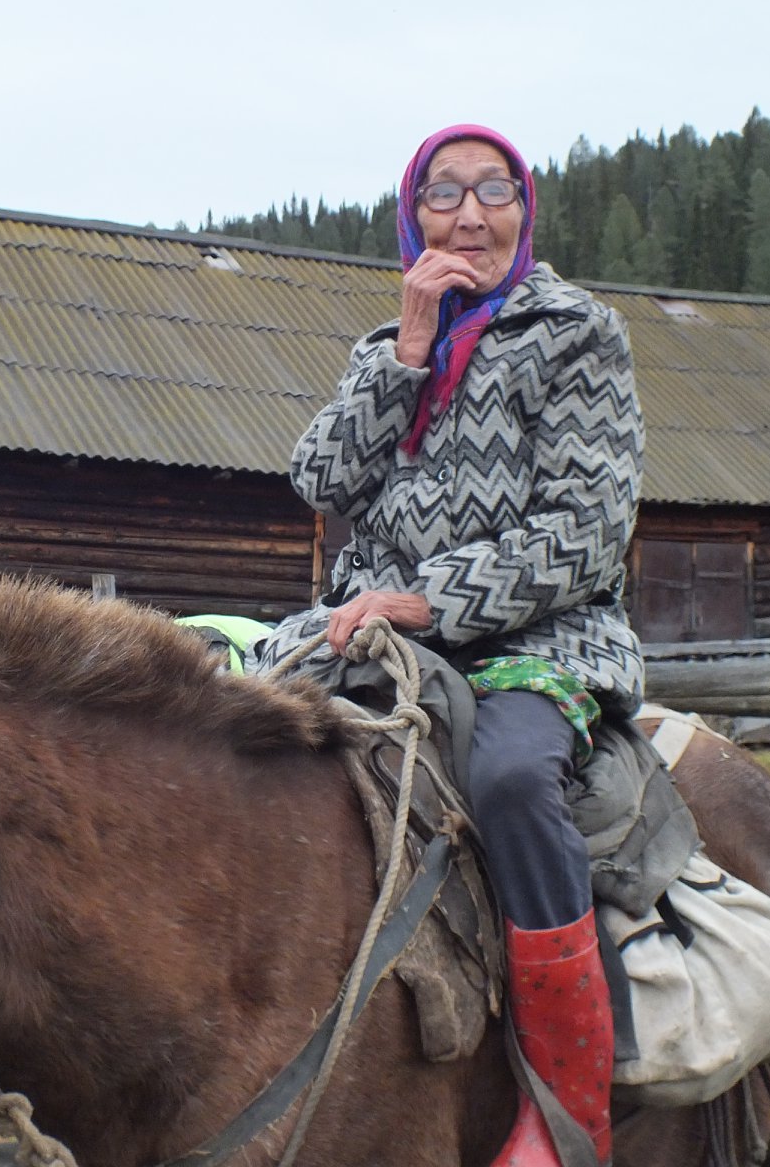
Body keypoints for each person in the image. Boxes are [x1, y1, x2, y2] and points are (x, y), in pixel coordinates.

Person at [263, 124, 644, 1165]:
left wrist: (426, 602)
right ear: (411, 216)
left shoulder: (577, 335)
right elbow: (321, 482)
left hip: (533, 638)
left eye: (494, 191)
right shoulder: (387, 344)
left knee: (516, 780)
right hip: (364, 635)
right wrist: (409, 352)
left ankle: (568, 1111)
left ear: (526, 211)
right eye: (443, 193)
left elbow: (588, 527)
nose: (469, 214)